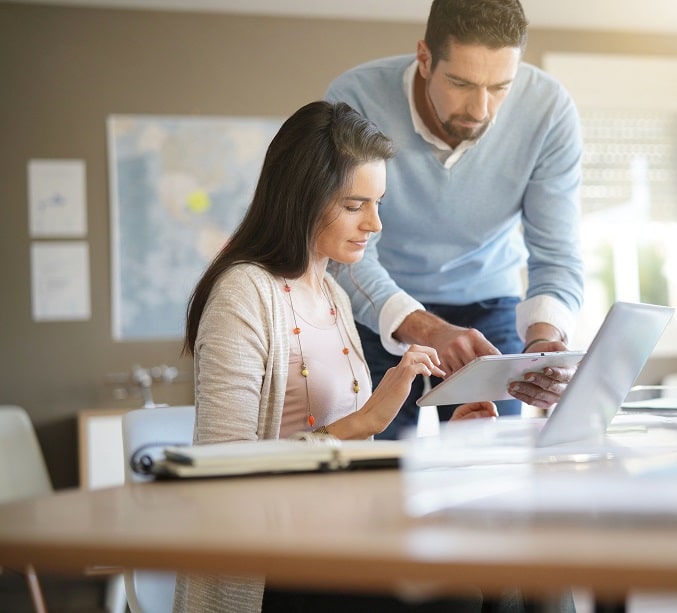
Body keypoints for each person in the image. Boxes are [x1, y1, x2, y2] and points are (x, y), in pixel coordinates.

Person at [174, 100, 496, 613]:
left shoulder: (334, 296)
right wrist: (366, 420)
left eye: (379, 203)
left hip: (341, 532)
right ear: (301, 198)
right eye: (354, 205)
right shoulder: (244, 295)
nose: (375, 224)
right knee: (457, 599)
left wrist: (440, 451)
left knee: (519, 573)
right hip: (275, 562)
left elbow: (345, 463)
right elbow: (220, 476)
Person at [325, 0, 585, 440]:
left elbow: (557, 253)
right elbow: (338, 245)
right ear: (424, 59)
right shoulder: (354, 100)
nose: (481, 109)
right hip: (377, 307)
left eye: (501, 86)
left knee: (491, 467)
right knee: (370, 459)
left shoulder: (550, 111)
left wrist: (542, 344)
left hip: (488, 305)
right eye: (461, 83)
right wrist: (425, 326)